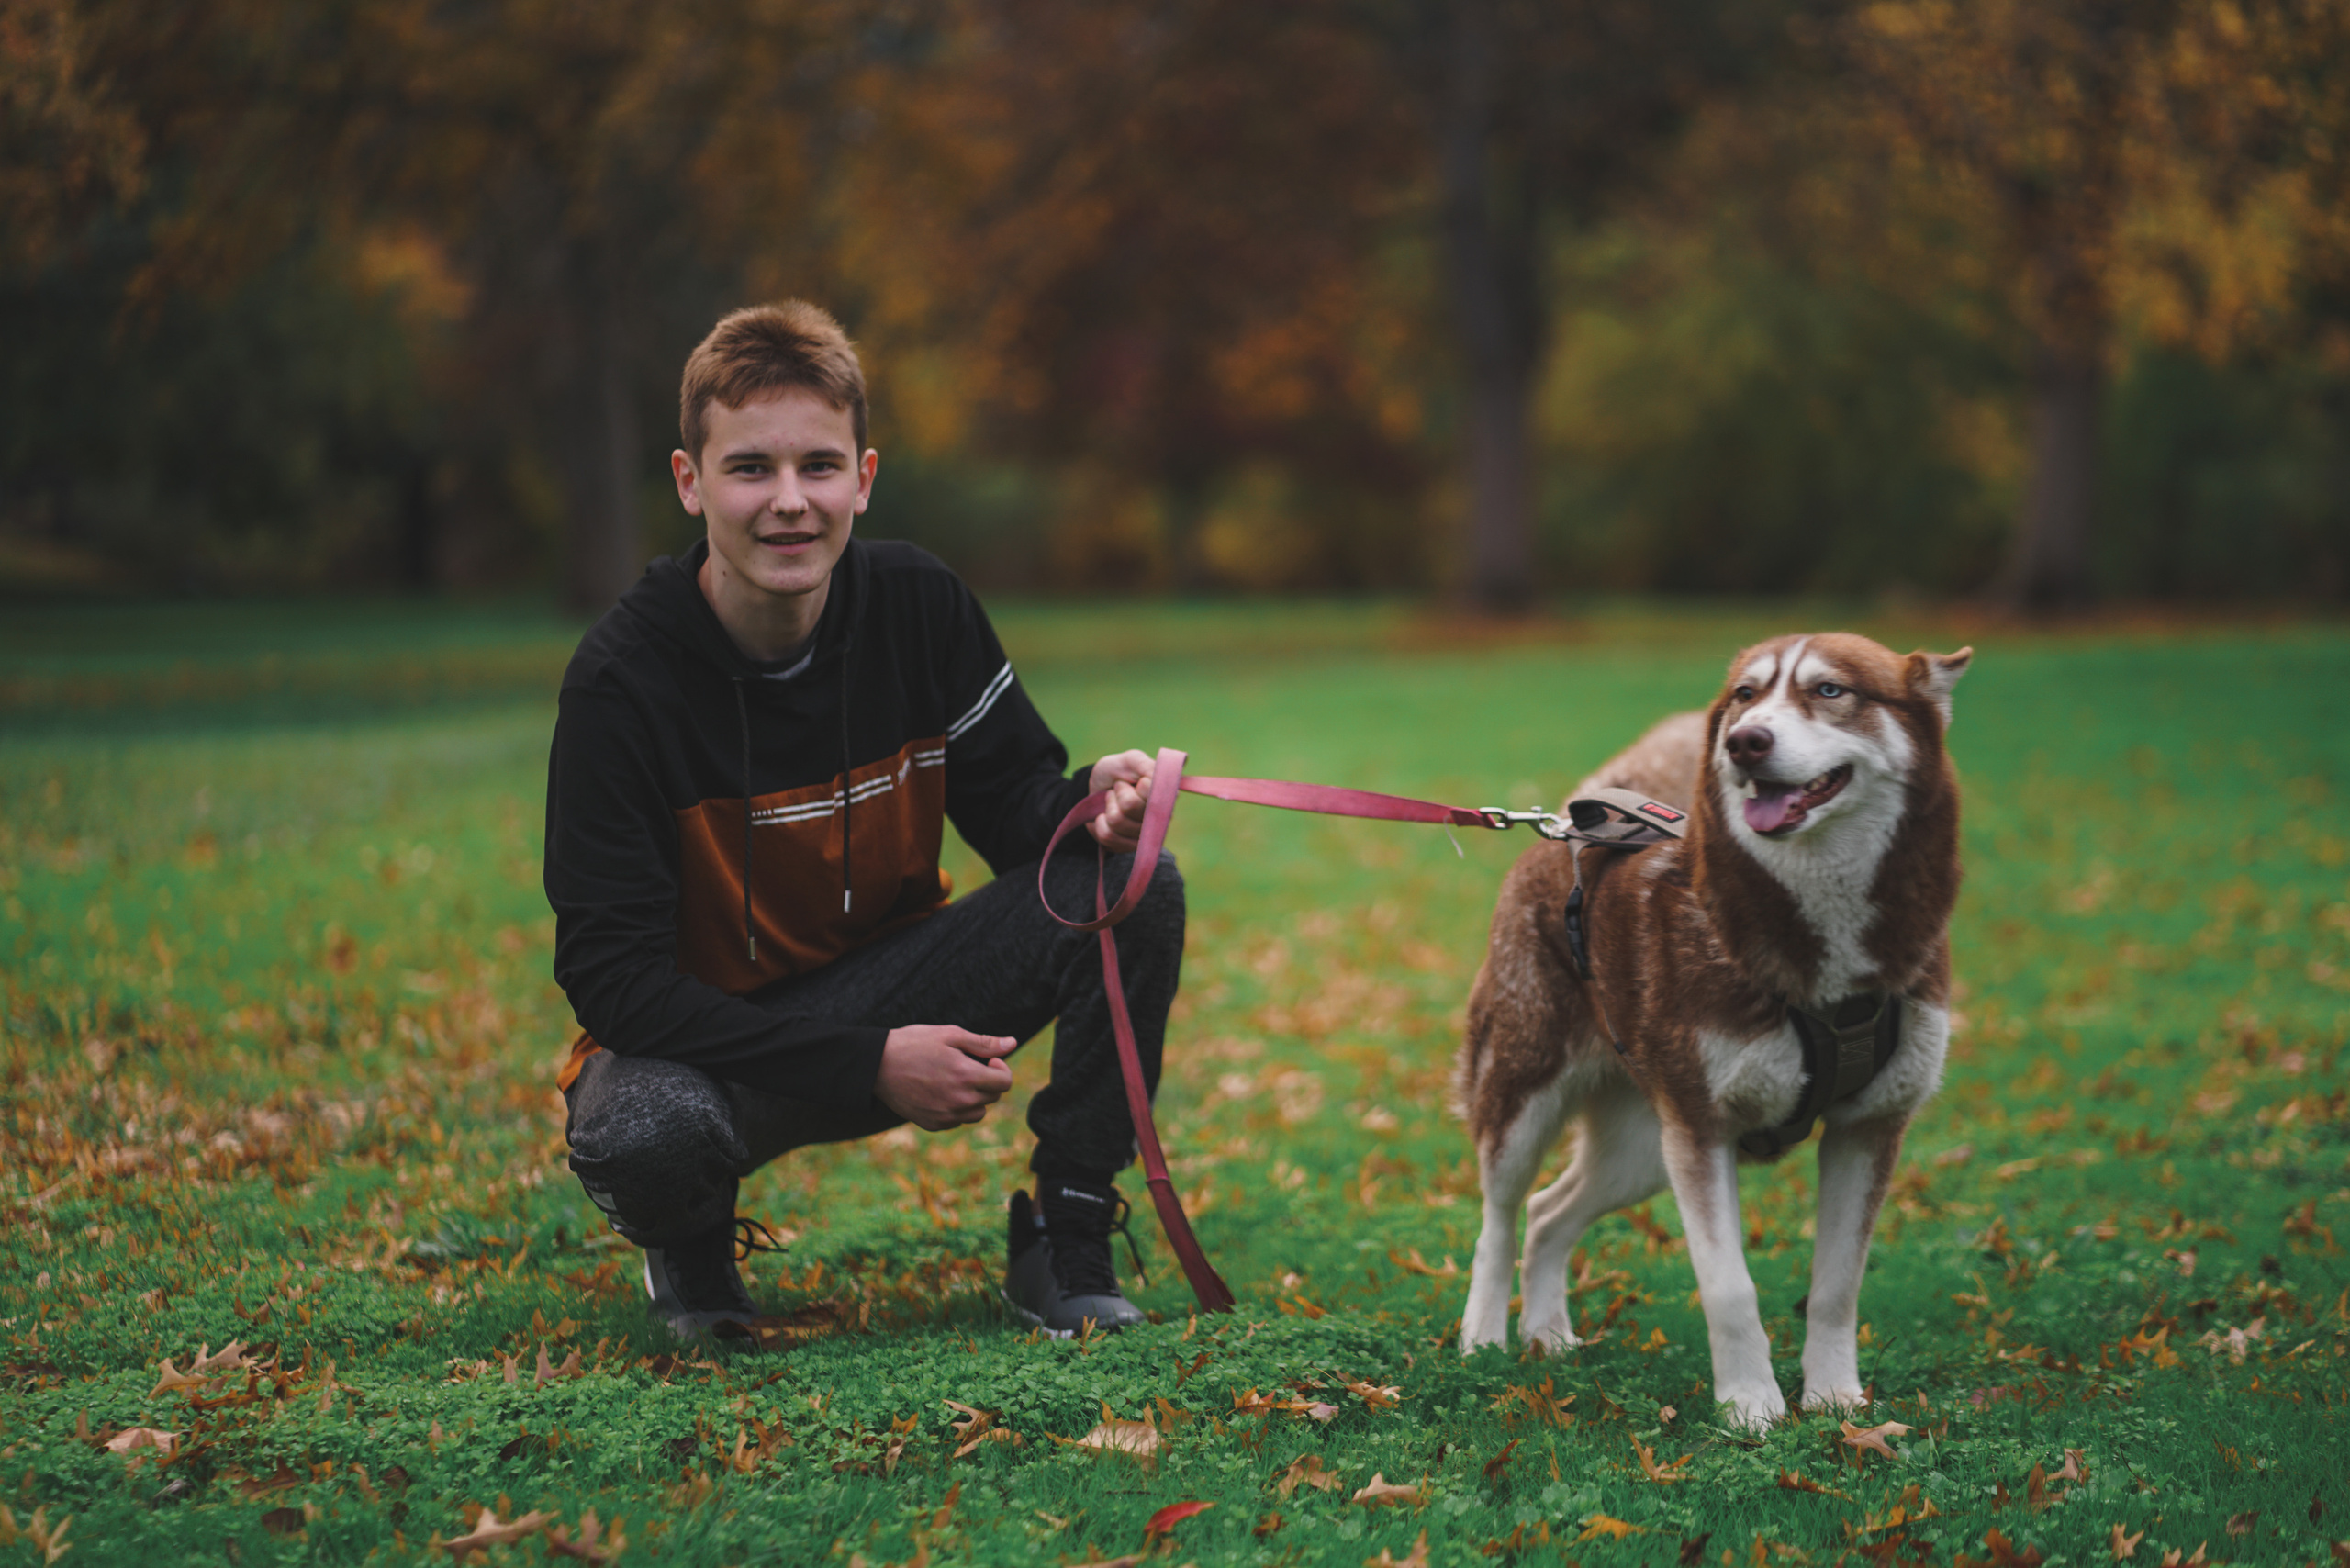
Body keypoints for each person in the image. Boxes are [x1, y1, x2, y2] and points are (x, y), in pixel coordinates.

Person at [543, 301, 1182, 1339]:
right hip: (711, 1046)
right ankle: (693, 1244)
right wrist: (868, 1059)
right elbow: (613, 983)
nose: (789, 503)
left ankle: (1063, 1235)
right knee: (642, 1132)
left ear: (864, 477)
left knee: (1131, 887)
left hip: (898, 985)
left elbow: (1015, 807)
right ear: (688, 481)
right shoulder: (622, 685)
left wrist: (1088, 805)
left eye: (819, 467)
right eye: (750, 468)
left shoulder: (919, 605)